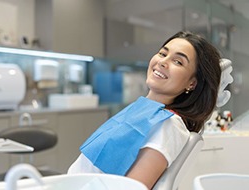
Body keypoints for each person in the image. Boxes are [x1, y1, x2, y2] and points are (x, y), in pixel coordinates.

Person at [67, 31, 222, 189]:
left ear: (192, 83)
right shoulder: (142, 108)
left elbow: (133, 188)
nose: (163, 62)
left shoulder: (169, 124)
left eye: (178, 62)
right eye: (163, 53)